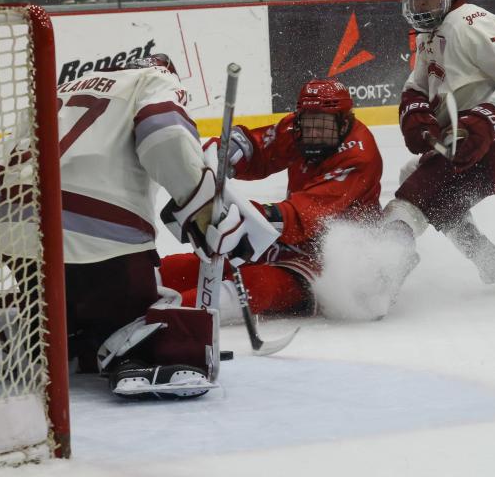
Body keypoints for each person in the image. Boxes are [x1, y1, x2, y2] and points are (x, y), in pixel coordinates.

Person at [0, 54, 222, 399]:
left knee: (58, 318)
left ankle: (16, 341)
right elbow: (163, 132)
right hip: (105, 240)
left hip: (24, 239)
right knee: (140, 313)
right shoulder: (154, 79)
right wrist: (201, 205)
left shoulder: (56, 91)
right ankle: (134, 350)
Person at [379, 0, 495, 292]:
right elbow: (417, 85)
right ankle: (488, 261)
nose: (421, 3)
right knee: (423, 184)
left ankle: (385, 268)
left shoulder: (471, 24)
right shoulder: (431, 31)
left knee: (412, 198)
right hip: (473, 142)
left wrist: (484, 124)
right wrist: (416, 113)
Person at [159, 78, 384, 320]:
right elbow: (261, 151)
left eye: (324, 126)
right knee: (195, 265)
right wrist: (230, 154)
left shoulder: (359, 157)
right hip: (289, 240)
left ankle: (169, 317)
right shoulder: (299, 130)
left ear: (344, 123)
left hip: (331, 264)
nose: (314, 134)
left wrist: (245, 217)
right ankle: (130, 287)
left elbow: (303, 215)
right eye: (308, 124)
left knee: (257, 284)